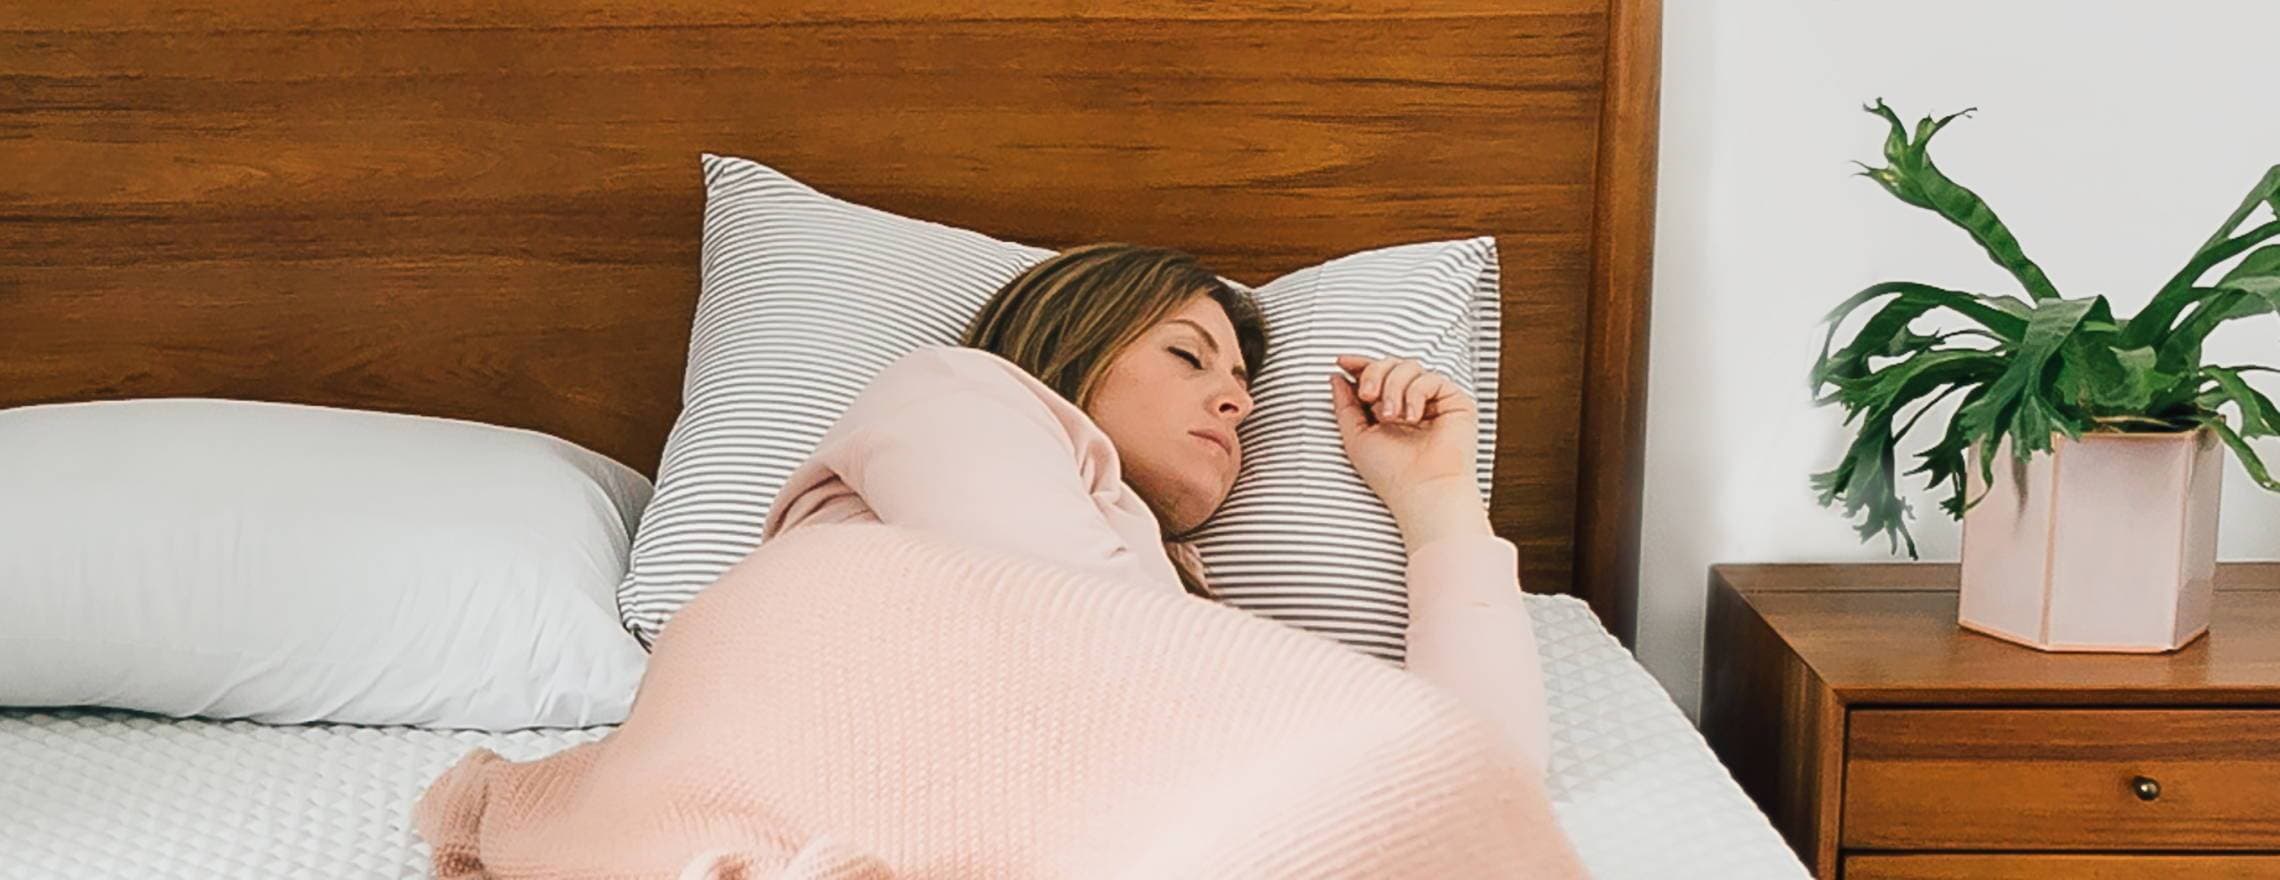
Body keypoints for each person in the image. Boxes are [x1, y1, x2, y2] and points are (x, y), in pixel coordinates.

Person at [764, 242, 1549, 774]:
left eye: (1243, 383)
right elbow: (1082, 633)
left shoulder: (1173, 597)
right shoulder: (951, 393)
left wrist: (1435, 499)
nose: (1236, 400)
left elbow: (1483, 777)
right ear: (1072, 343)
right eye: (1186, 355)